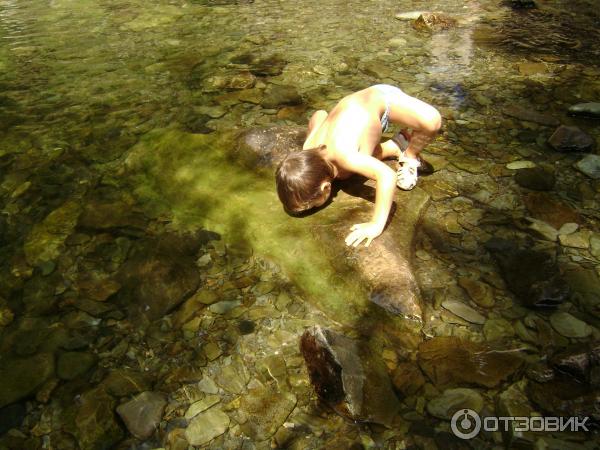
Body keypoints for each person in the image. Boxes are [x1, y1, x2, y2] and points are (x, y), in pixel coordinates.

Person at [275, 84, 441, 248]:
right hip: (359, 120)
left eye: (311, 205)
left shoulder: (344, 157)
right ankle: (396, 144)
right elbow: (319, 115)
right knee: (346, 172)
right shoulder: (309, 146)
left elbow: (387, 176)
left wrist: (376, 224)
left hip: (383, 100)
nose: (309, 209)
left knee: (432, 121)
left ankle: (410, 154)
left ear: (326, 188)